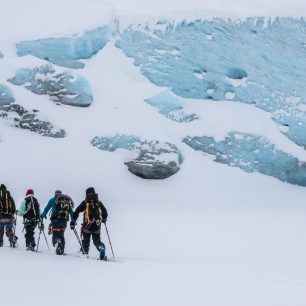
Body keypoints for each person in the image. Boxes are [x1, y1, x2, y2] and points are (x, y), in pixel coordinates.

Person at [70, 187, 108, 260]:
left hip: (86, 226)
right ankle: (101, 247)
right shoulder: (98, 202)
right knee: (97, 241)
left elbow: (77, 211)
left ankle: (84, 253)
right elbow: (104, 211)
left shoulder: (85, 202)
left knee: (86, 241)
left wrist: (73, 220)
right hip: (97, 226)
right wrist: (104, 218)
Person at [40, 190, 74, 255]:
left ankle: (56, 243)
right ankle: (61, 251)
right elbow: (71, 212)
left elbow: (46, 209)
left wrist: (42, 216)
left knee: (55, 235)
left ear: (55, 194)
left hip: (55, 221)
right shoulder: (66, 201)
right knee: (61, 235)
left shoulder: (52, 200)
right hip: (64, 222)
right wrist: (73, 220)